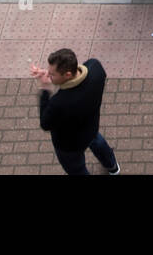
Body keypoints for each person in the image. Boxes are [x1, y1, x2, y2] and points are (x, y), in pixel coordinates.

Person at [31, 48, 120, 176]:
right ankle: (113, 167)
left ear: (67, 75)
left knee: (76, 170)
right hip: (90, 127)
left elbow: (45, 124)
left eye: (52, 74)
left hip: (69, 144)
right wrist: (54, 76)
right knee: (98, 143)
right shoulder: (95, 68)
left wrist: (45, 89)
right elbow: (81, 73)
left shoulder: (59, 103)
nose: (48, 76)